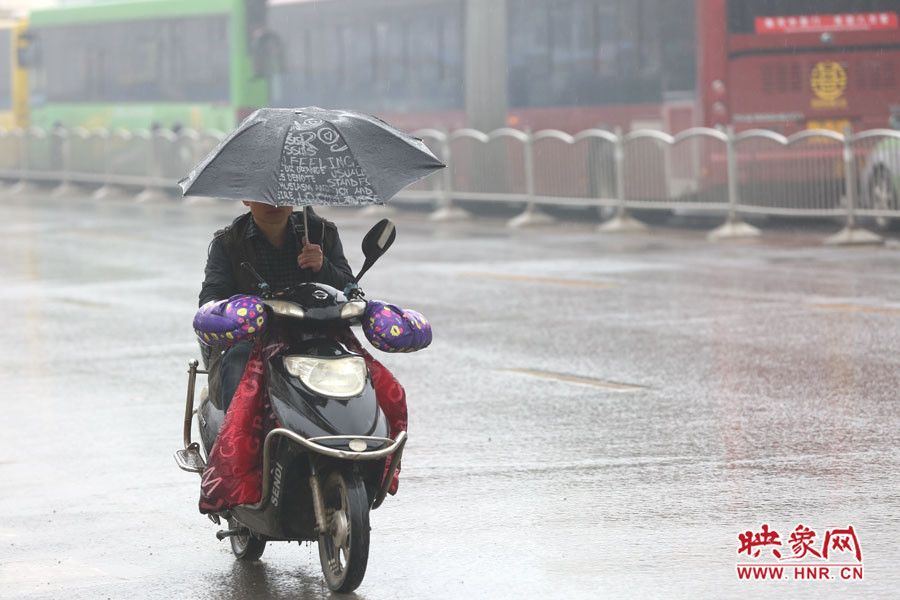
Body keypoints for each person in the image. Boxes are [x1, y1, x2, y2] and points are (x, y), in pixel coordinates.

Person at [199, 201, 354, 411]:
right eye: (264, 196)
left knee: (360, 369)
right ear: (246, 199)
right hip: (252, 341)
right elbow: (211, 296)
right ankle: (234, 440)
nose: (274, 203)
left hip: (316, 335)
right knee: (237, 363)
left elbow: (350, 291)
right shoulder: (228, 243)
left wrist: (322, 265)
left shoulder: (321, 234)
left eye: (282, 196)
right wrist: (236, 311)